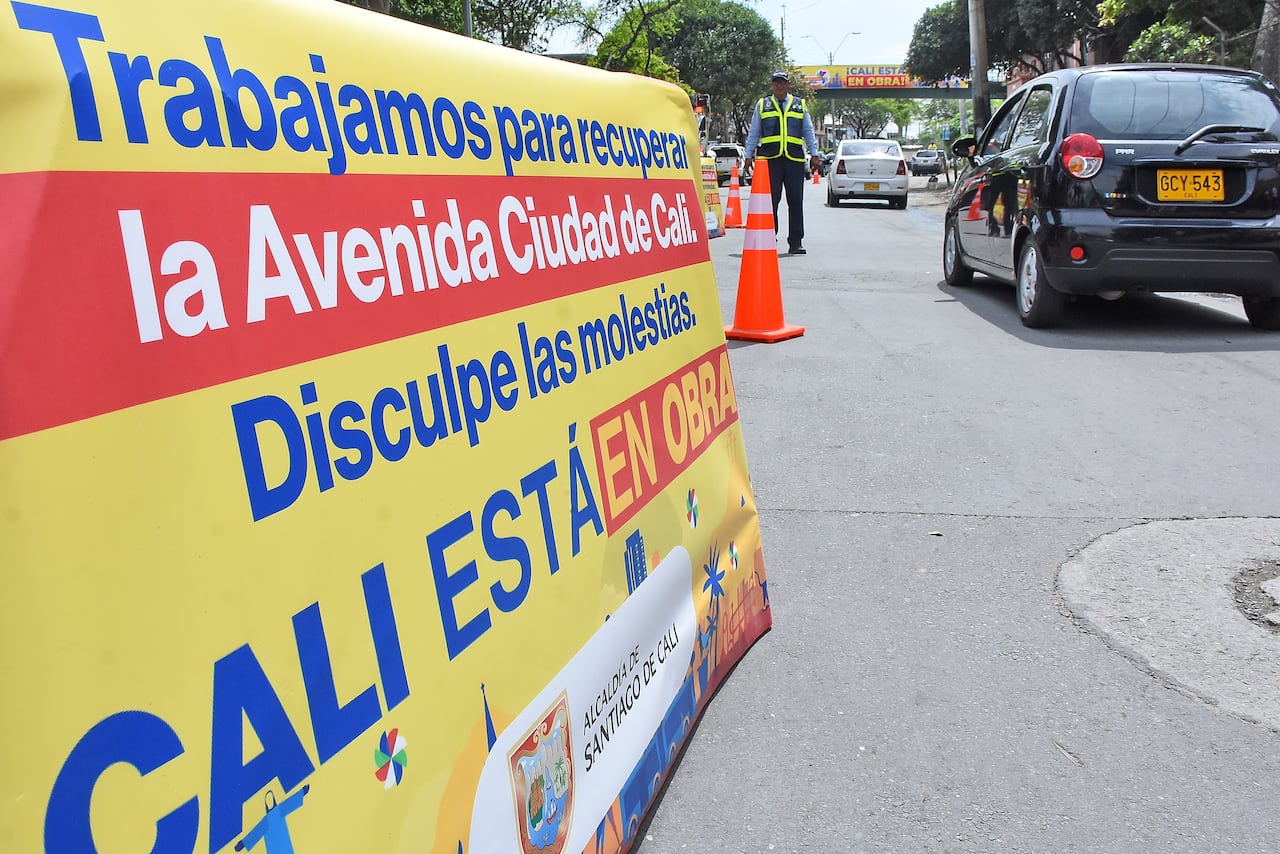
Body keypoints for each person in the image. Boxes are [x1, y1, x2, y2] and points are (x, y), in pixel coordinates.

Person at [744, 70, 823, 255]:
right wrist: (748, 155)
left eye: (783, 82)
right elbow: (754, 132)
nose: (779, 85)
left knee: (795, 201)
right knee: (770, 202)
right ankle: (769, 237)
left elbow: (808, 131)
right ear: (772, 85)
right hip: (769, 161)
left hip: (794, 160)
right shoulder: (763, 105)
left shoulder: (799, 105)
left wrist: (814, 153)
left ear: (788, 85)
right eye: (776, 82)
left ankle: (796, 242)